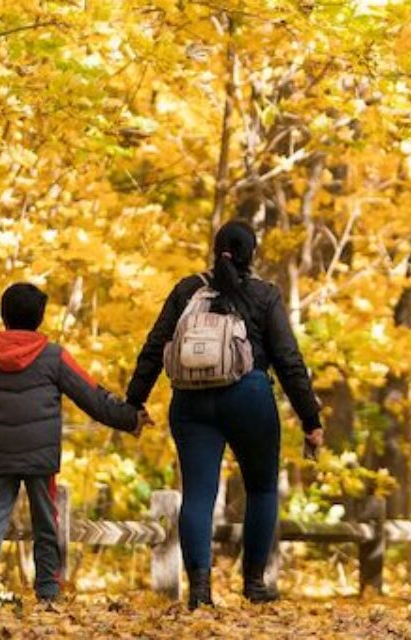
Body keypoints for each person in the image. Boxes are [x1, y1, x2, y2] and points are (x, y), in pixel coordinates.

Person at [126, 220, 324, 609]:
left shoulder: (187, 290)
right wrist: (310, 417)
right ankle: (254, 584)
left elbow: (154, 347)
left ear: (216, 250)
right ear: (252, 254)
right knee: (262, 488)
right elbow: (288, 360)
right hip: (248, 395)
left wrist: (134, 401)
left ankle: (200, 591)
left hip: (190, 401)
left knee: (198, 493)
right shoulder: (264, 294)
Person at [0, 282, 151, 604]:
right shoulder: (54, 357)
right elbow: (92, 396)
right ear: (40, 317)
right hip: (40, 456)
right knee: (46, 521)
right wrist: (129, 419)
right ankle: (47, 589)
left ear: (4, 316)